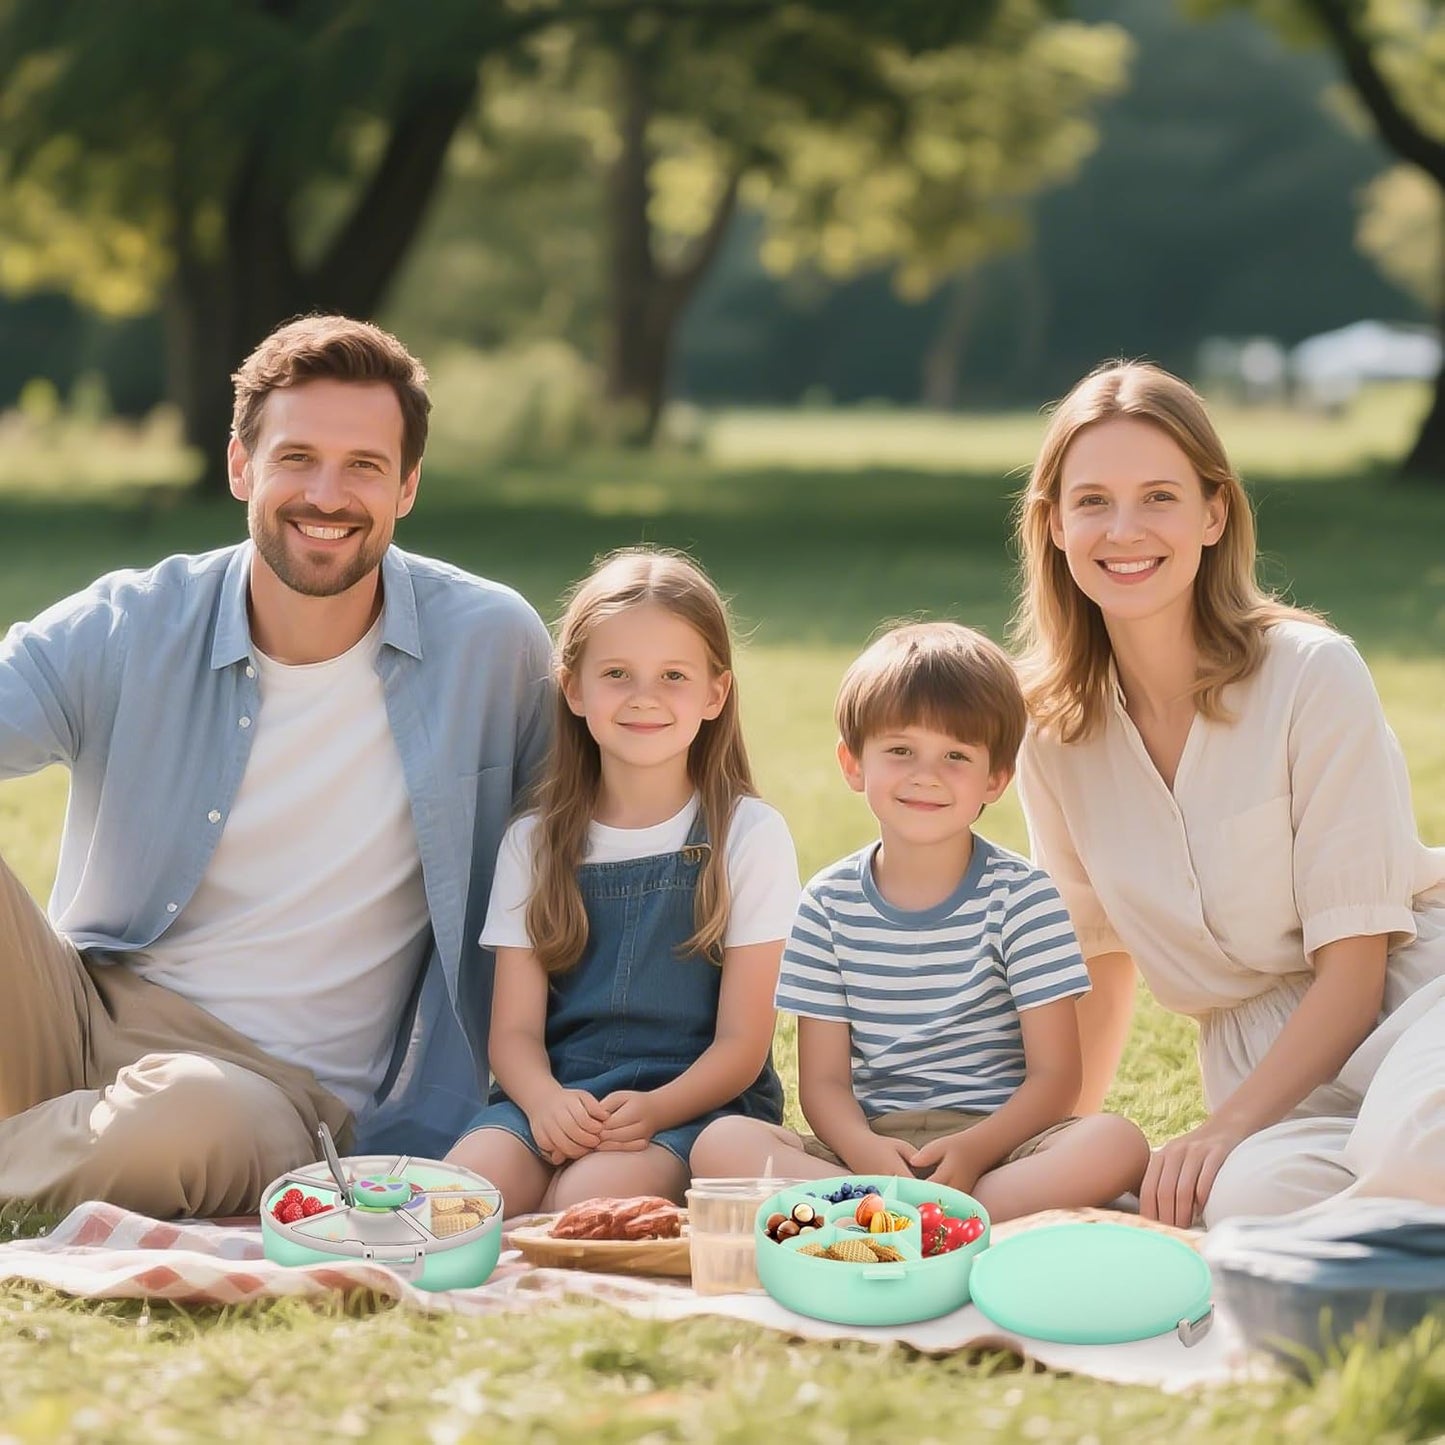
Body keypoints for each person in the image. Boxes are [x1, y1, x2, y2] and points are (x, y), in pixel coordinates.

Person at [0, 315, 553, 1219]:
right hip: (80, 1010)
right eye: (296, 457)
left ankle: (77, 1145)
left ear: (407, 485)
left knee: (181, 1122)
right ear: (239, 466)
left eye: (364, 466)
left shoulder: (490, 645)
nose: (326, 495)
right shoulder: (134, 621)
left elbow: (589, 859)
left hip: (267, 1095)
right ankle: (62, 1140)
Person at [1012, 360, 1445, 1229]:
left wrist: (1225, 1126)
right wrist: (1060, 1153)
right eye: (1091, 500)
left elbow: (1355, 970)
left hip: (1412, 1005)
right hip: (1262, 1070)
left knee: (1415, 1152)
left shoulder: (1311, 675)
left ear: (1214, 513)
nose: (1123, 529)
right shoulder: (1049, 730)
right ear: (1054, 524)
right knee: (1243, 1208)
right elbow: (1096, 962)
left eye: (1159, 497)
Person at [690, 623, 1149, 1222]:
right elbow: (823, 1083)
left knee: (1116, 1144)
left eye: (956, 755)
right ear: (853, 764)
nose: (926, 774)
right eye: (900, 750)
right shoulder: (826, 904)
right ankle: (941, 1217)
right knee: (721, 1145)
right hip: (868, 1149)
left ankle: (911, 1216)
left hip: (1001, 1147)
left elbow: (1057, 1077)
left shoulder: (1024, 897)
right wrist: (864, 1151)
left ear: (996, 779)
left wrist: (980, 1148)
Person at [445, 547, 799, 1214]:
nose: (643, 698)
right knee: (462, 1196)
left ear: (714, 693)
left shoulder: (747, 835)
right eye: (616, 673)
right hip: (557, 1096)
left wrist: (655, 1107)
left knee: (583, 1205)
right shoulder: (536, 840)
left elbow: (742, 1046)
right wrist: (546, 1102)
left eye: (672, 675)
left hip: (691, 1104)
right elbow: (513, 1034)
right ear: (573, 688)